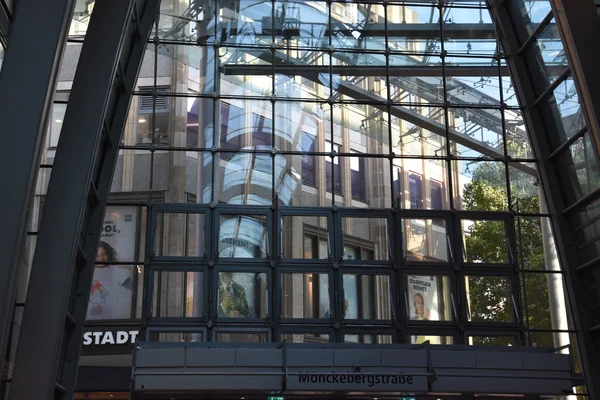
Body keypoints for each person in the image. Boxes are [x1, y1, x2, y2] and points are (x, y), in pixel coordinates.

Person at [87, 241, 133, 320]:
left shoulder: (116, 270)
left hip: (110, 318)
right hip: (87, 317)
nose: (101, 258)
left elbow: (134, 288)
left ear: (109, 254)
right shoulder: (86, 271)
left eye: (104, 254)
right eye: (97, 255)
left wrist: (131, 271)